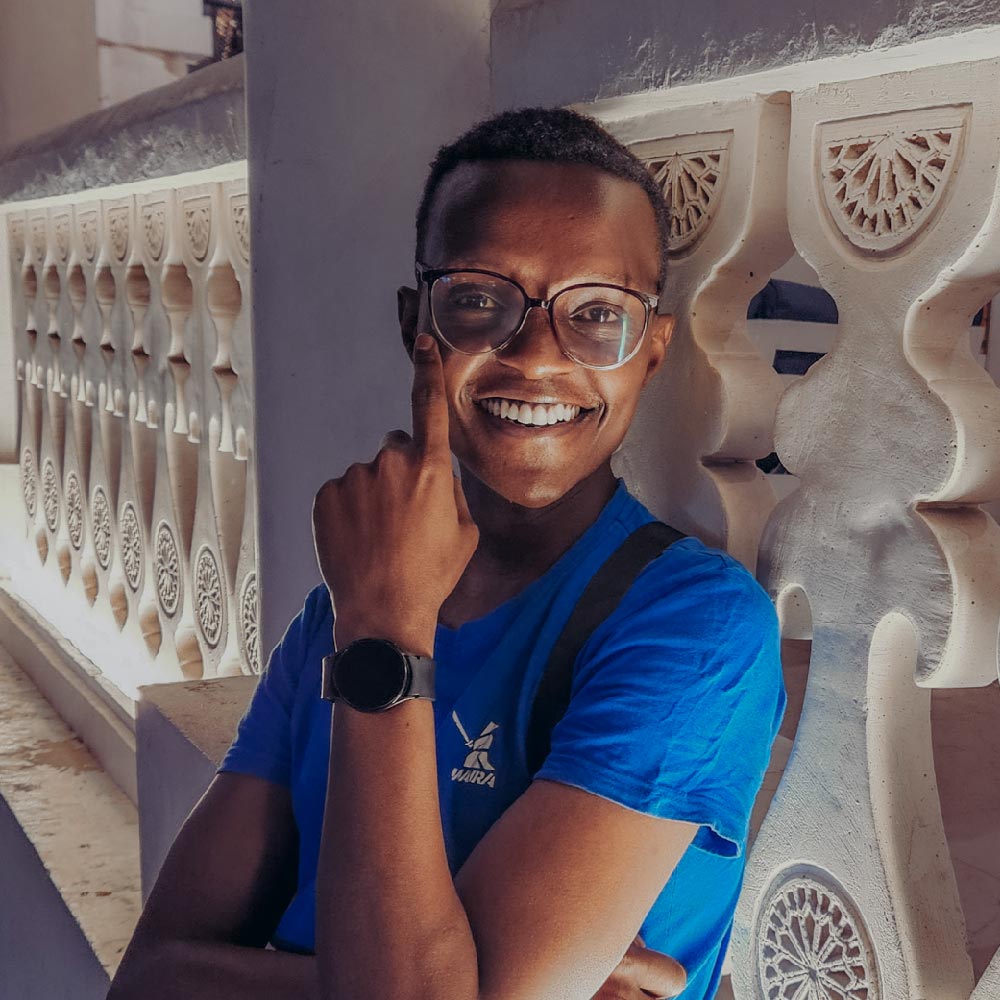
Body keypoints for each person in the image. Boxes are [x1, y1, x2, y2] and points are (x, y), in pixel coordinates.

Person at [108, 107, 785, 1000]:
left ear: (651, 353)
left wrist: (384, 639)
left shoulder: (695, 628)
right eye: (477, 299)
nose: (536, 356)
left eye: (596, 313)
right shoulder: (342, 613)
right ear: (416, 324)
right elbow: (148, 979)